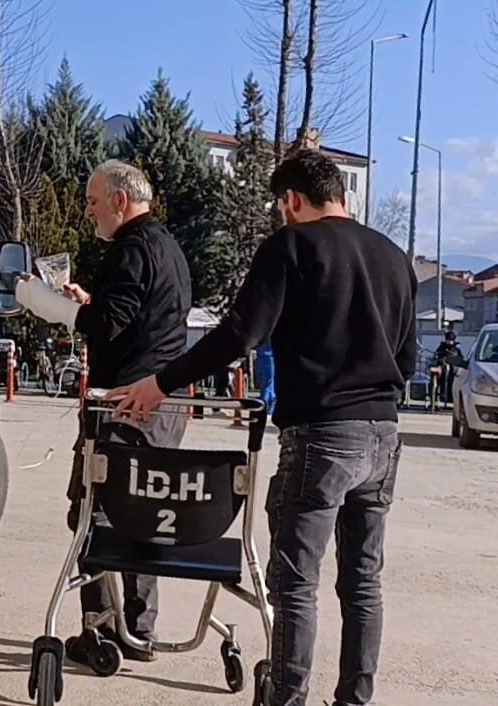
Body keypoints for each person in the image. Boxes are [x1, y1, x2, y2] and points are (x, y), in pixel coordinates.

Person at [110, 149, 417, 706]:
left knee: (295, 584)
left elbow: (238, 335)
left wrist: (161, 383)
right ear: (341, 196)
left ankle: (288, 698)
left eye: (282, 207)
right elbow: (410, 359)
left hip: (323, 435)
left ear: (292, 201)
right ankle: (354, 698)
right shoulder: (394, 256)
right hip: (383, 435)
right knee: (362, 582)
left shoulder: (291, 247)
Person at [15, 159, 193, 667]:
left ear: (120, 200)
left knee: (92, 514)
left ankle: (99, 632)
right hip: (163, 402)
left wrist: (45, 302)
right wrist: (90, 302)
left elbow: (111, 325)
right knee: (145, 514)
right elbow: (139, 318)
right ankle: (140, 628)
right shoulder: (167, 248)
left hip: (123, 405)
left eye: (93, 200)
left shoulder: (130, 250)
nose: (88, 209)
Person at [433, 330, 463, 404]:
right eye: (448, 340)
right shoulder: (441, 347)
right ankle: (439, 397)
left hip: (453, 371)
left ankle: (451, 398)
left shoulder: (456, 349)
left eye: (451, 340)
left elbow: (460, 359)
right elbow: (437, 357)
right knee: (439, 380)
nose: (449, 342)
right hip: (443, 370)